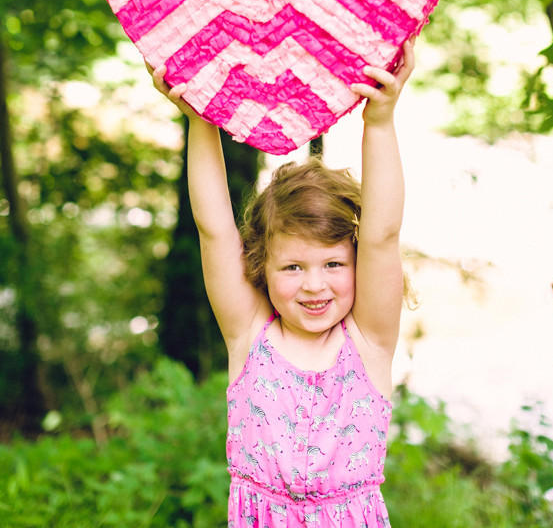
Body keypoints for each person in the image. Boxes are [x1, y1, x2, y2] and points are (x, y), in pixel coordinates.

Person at [148, 37, 415, 527]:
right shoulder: (249, 333)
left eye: (333, 264)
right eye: (292, 267)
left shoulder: (369, 340)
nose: (314, 285)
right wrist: (200, 121)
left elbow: (381, 235)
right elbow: (214, 229)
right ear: (260, 266)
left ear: (356, 264)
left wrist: (379, 120)